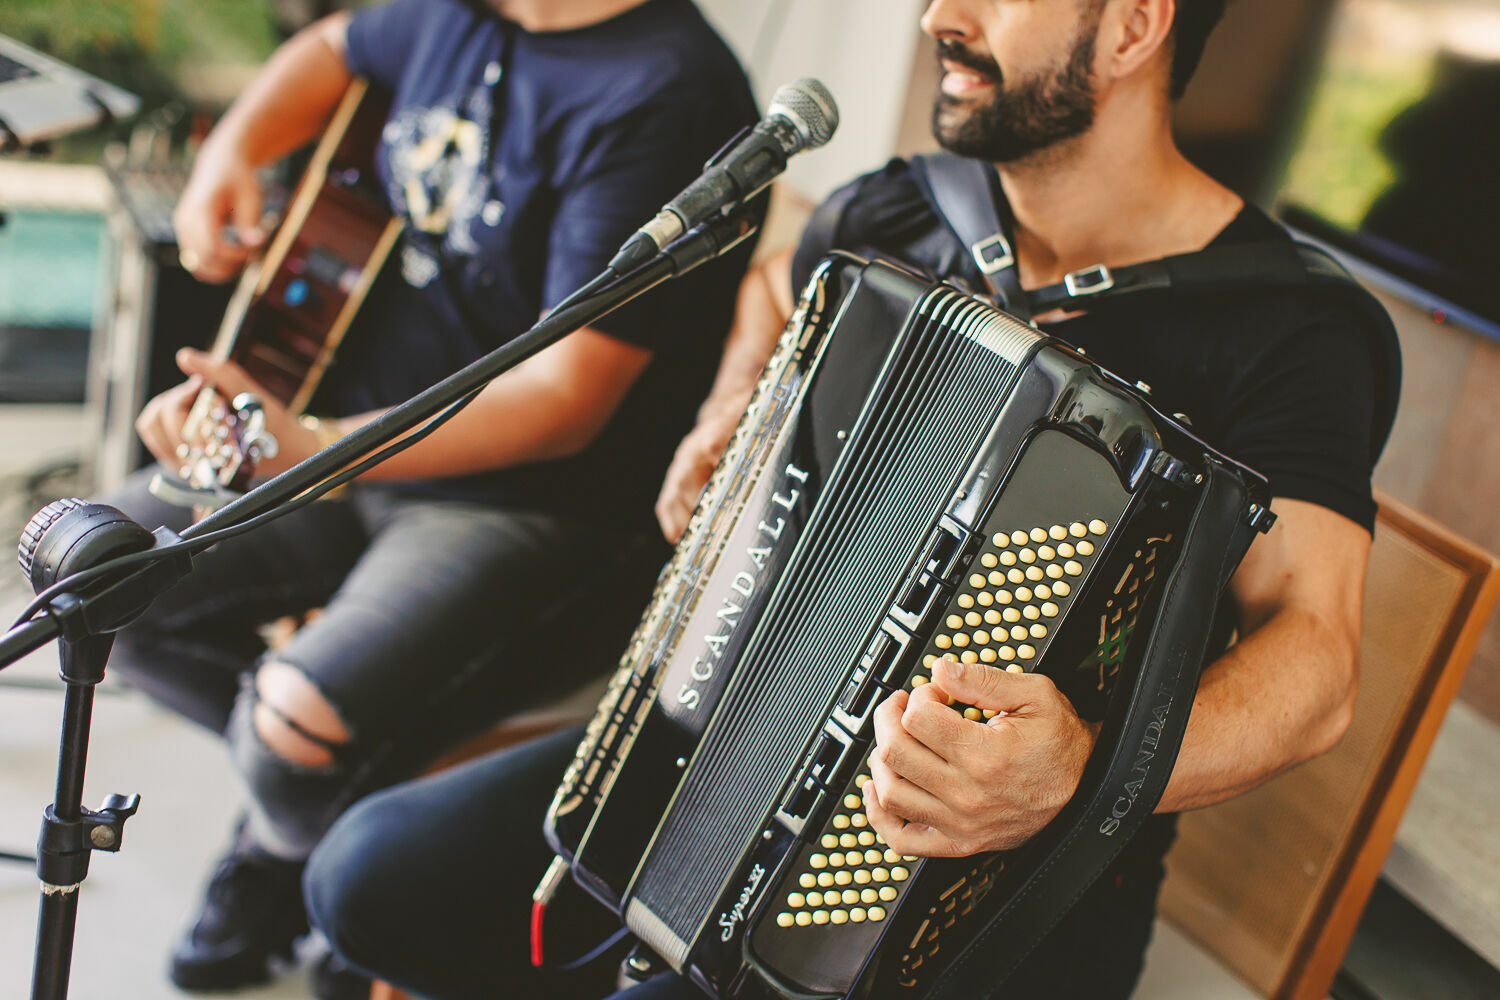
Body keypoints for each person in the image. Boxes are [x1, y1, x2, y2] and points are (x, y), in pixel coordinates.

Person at [305, 0, 1383, 997]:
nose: (937, 19)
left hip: (1000, 866)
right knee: (367, 877)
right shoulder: (906, 208)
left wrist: (1079, 768)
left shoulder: (1289, 328)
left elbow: (1317, 655)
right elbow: (779, 281)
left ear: (1136, 24)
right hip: (744, 723)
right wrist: (736, 406)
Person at [102, 0, 758, 995]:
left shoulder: (671, 91)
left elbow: (563, 401)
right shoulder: (456, 9)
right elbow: (331, 49)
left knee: (295, 735)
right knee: (101, 578)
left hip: (536, 507)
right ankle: (330, 816)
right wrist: (230, 153)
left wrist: (313, 449)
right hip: (348, 435)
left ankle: (284, 844)